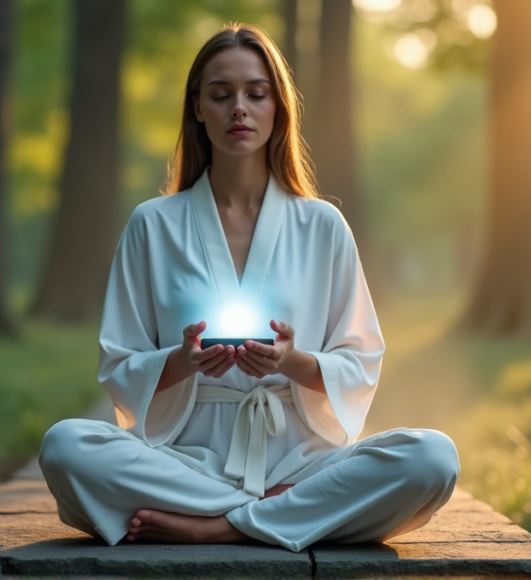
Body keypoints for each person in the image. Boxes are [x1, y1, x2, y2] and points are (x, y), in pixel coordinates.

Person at [39, 23, 459, 553]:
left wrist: (290, 361)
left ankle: (219, 525)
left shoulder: (322, 225)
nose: (239, 108)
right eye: (221, 95)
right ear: (198, 108)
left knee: (432, 459)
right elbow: (120, 363)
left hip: (299, 460)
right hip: (184, 459)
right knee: (66, 447)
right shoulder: (153, 224)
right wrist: (184, 360)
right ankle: (283, 513)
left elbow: (360, 361)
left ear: (277, 107)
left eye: (256, 94)